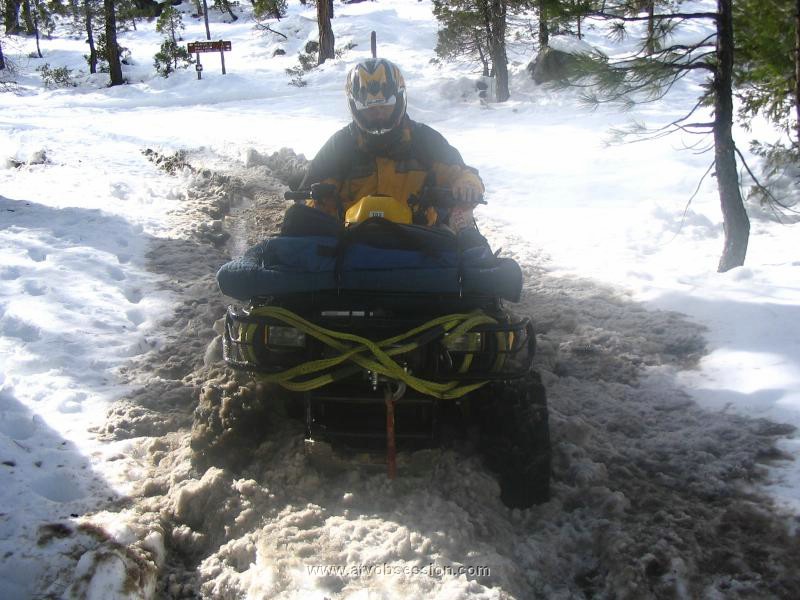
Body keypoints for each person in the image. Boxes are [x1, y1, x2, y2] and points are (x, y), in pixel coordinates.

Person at [298, 57, 484, 232]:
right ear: (355, 107)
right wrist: (320, 200)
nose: (378, 113)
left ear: (399, 100)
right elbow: (307, 196)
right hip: (351, 245)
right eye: (369, 108)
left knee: (472, 251)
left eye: (385, 106)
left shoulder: (425, 139)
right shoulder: (340, 145)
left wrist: (467, 185)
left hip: (421, 244)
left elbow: (461, 173)